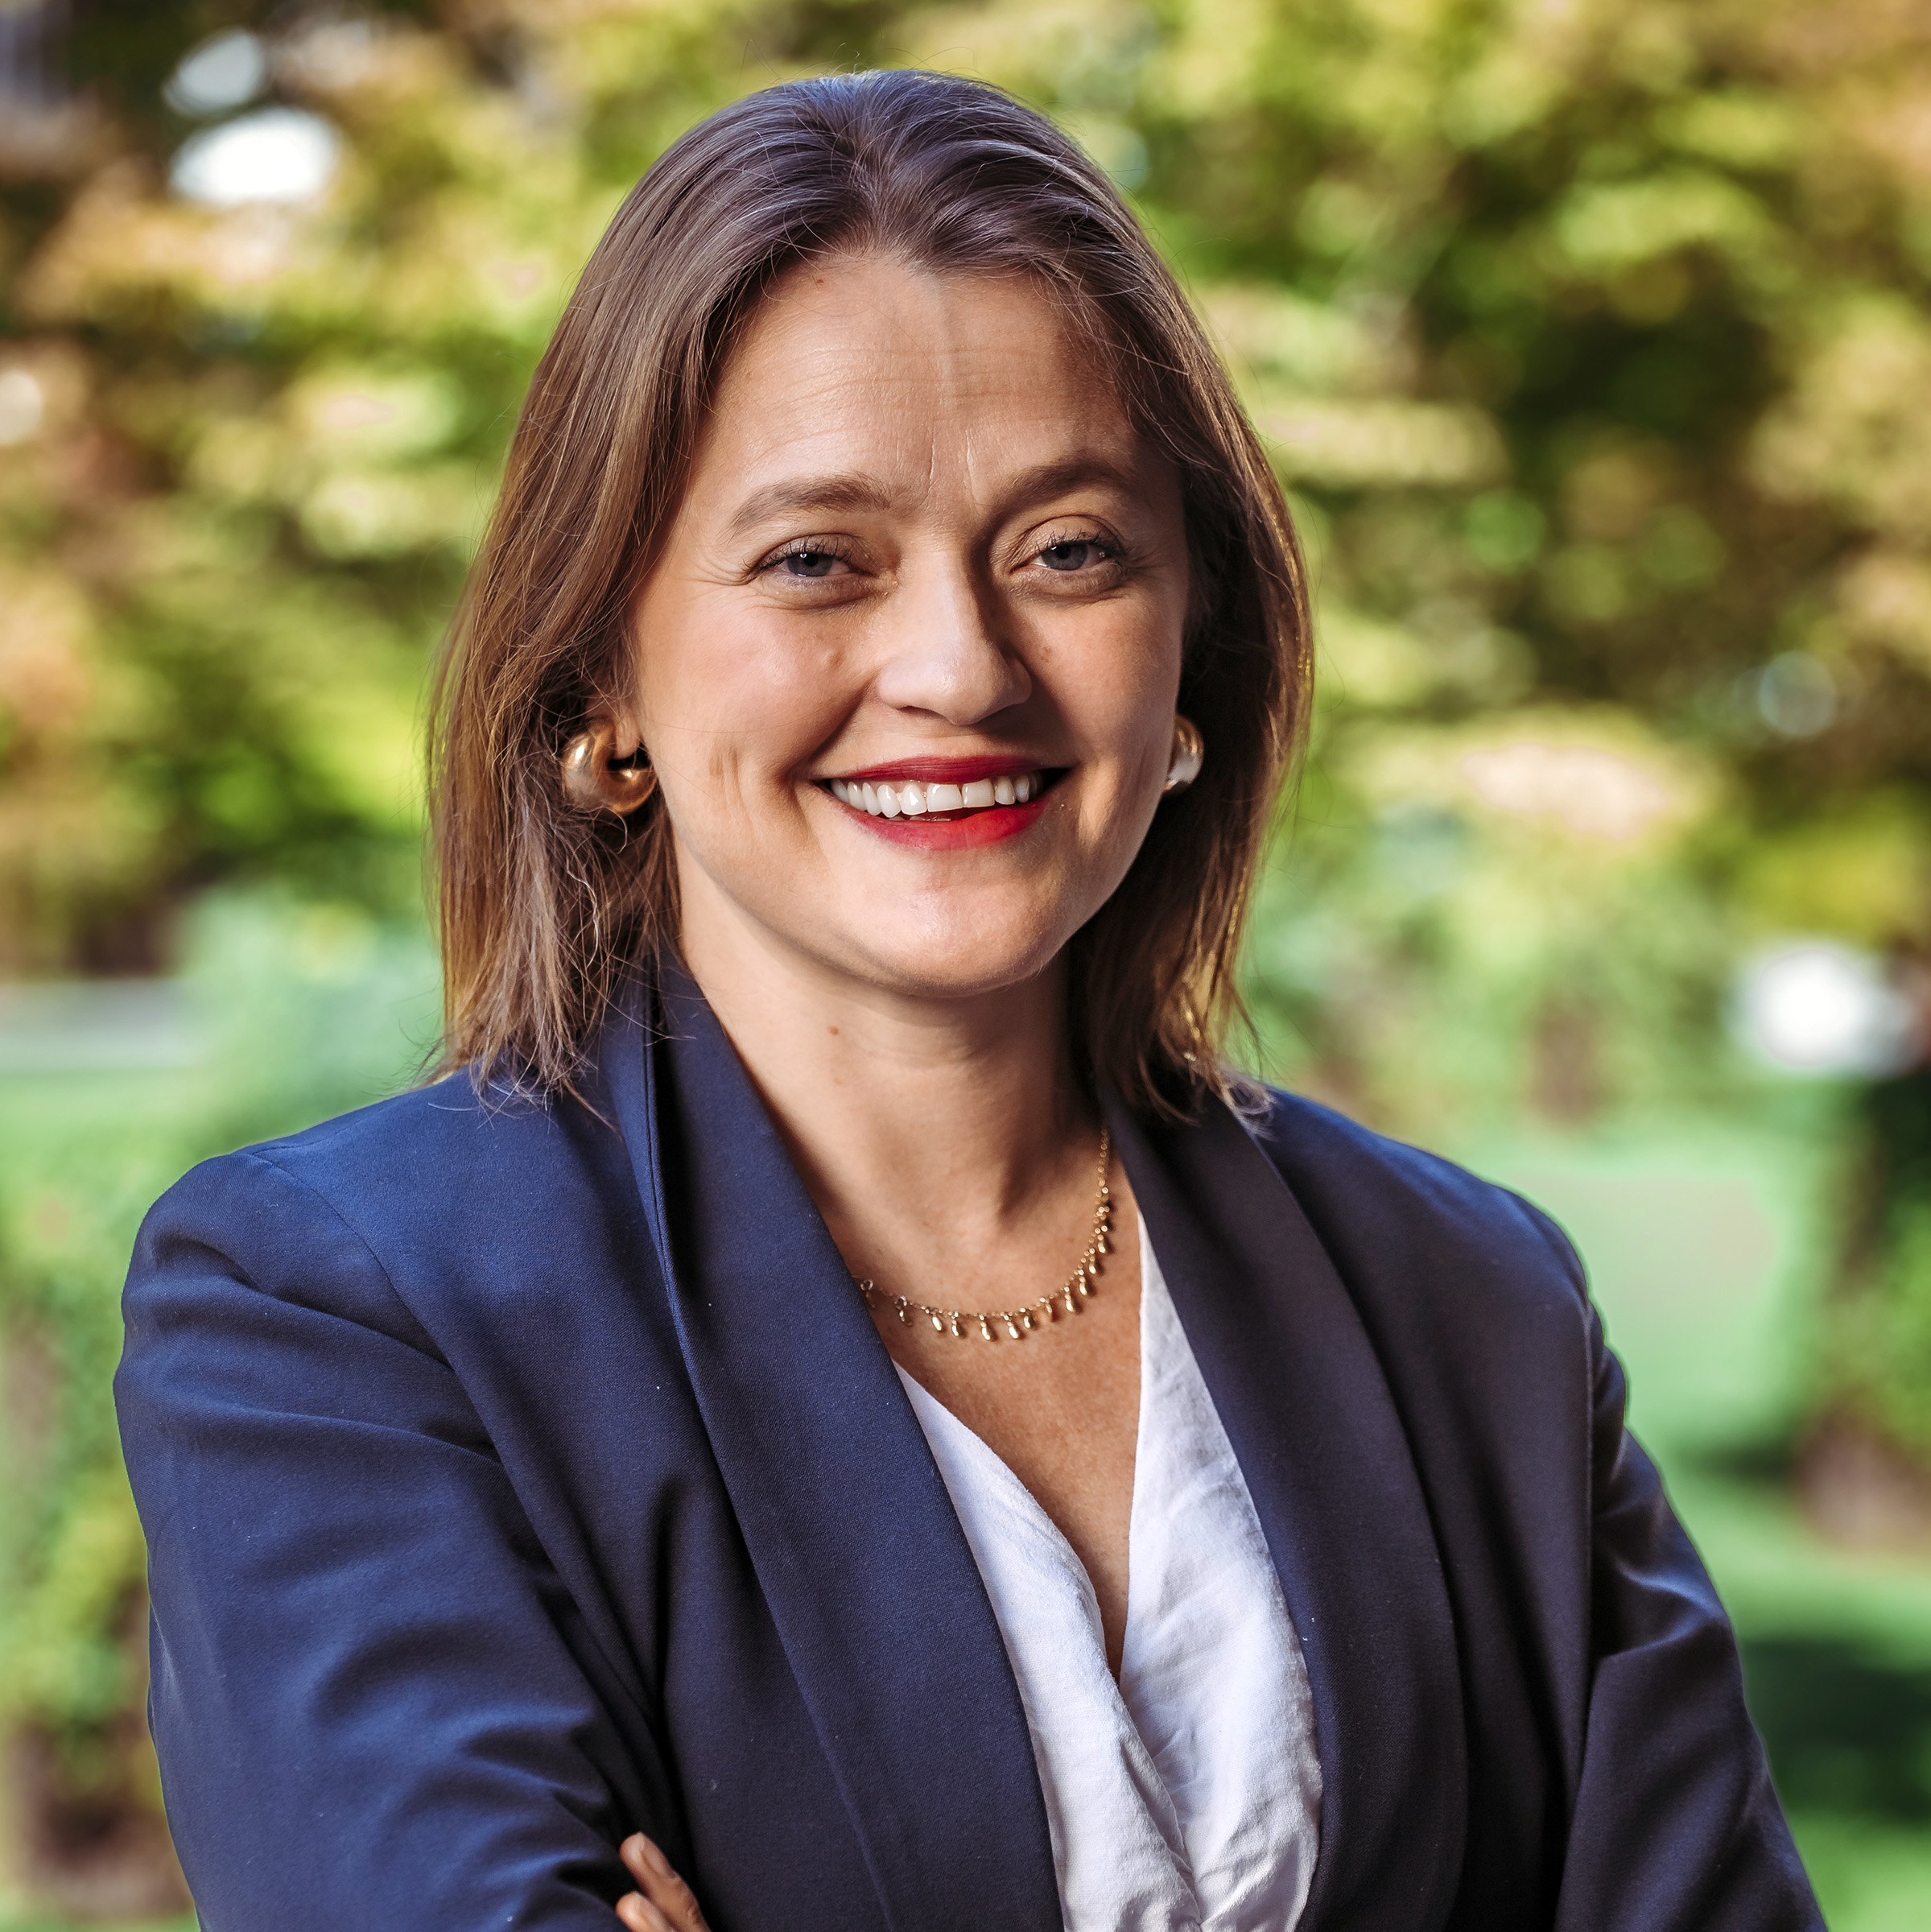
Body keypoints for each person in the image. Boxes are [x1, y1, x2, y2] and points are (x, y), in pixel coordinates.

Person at [115, 68, 1822, 1932]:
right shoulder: (340, 1325)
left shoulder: (1475, 1310)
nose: (957, 664)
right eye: (815, 561)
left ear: (1190, 651)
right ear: (605, 677)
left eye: (1068, 550)